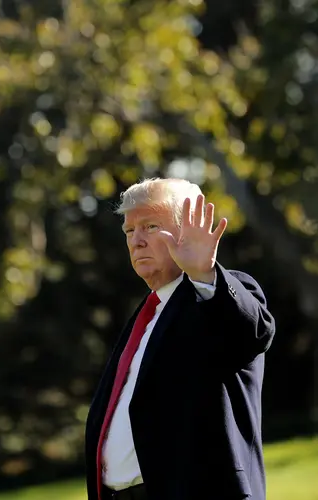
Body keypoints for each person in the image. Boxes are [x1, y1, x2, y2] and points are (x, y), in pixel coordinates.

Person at [84, 178, 275, 500]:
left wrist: (204, 274)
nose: (137, 241)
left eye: (151, 226)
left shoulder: (213, 295)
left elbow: (253, 333)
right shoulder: (145, 317)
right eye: (130, 231)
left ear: (188, 231)